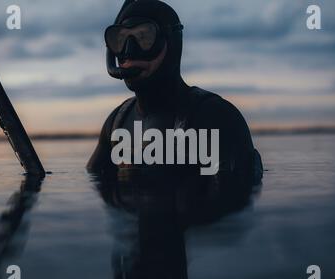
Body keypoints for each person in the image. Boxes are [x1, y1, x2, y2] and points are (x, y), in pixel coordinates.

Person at [87, 0, 263, 186]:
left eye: (145, 37)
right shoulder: (117, 124)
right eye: (120, 40)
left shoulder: (215, 118)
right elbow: (92, 182)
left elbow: (235, 197)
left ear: (172, 43)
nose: (130, 51)